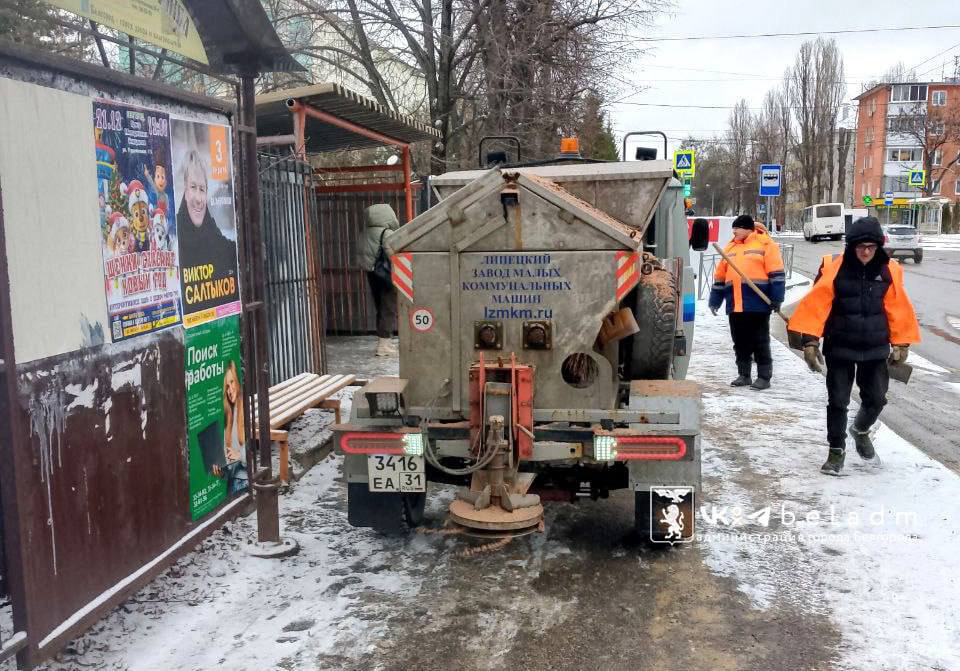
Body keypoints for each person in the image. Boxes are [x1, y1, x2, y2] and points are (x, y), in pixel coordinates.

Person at [788, 216, 920, 476]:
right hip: (840, 346)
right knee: (837, 401)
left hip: (875, 346)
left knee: (876, 400)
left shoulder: (890, 270)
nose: (866, 251)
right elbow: (817, 306)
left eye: (871, 246)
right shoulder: (833, 267)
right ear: (851, 247)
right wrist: (810, 342)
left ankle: (860, 430)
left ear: (879, 246)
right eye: (861, 246)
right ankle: (836, 452)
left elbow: (898, 307)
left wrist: (901, 342)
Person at [708, 214, 786, 390]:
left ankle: (764, 377)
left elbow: (777, 274)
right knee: (740, 341)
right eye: (733, 228)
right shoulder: (730, 247)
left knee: (760, 340)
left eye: (738, 228)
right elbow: (720, 277)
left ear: (748, 228)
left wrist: (777, 298)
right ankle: (744, 375)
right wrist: (715, 300)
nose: (734, 231)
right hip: (735, 303)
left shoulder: (765, 244)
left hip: (758, 303)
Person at [177, 149, 239, 314]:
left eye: (202, 189)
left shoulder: (210, 228)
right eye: (193, 187)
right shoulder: (174, 233)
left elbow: (231, 250)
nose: (198, 198)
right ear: (185, 190)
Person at [359, 204, 400, 357]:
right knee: (389, 307)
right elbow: (392, 254)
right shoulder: (386, 232)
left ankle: (384, 341)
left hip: (371, 273)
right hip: (387, 274)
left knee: (380, 306)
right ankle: (384, 345)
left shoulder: (365, 233)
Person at [219, 361, 248, 494]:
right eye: (227, 387)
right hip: (232, 483)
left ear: (237, 380)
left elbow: (259, 454)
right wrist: (220, 468)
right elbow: (229, 465)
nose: (230, 390)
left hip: (245, 481)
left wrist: (239, 455)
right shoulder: (229, 417)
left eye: (232, 382)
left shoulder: (245, 408)